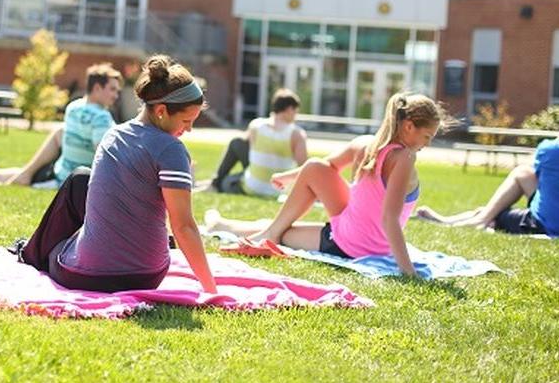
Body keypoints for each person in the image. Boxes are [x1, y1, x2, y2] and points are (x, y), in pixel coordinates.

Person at [18, 55, 217, 293]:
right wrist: (211, 288)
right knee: (81, 180)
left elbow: (181, 228)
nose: (189, 129)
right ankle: (34, 250)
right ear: (162, 111)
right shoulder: (171, 149)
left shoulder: (113, 135)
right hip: (146, 275)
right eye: (186, 121)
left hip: (84, 276)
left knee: (76, 186)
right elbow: (183, 226)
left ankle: (30, 252)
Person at [206, 93, 446, 277]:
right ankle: (231, 226)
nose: (428, 143)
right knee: (304, 188)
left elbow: (325, 166)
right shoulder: (404, 157)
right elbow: (389, 218)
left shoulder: (366, 144)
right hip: (356, 243)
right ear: (408, 126)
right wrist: (408, 271)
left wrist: (287, 177)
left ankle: (239, 228)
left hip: (353, 237)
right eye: (427, 136)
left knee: (285, 226)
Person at [0, 63, 122, 186]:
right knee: (37, 172)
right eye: (112, 89)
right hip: (76, 180)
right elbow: (103, 156)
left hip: (62, 171)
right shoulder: (102, 117)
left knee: (56, 137)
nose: (116, 95)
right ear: (97, 88)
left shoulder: (74, 106)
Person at [416, 137, 559, 236]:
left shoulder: (548, 149)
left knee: (495, 214)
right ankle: (476, 218)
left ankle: (474, 220)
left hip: (546, 224)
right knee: (523, 173)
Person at [205, 88, 307, 196]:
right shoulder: (297, 134)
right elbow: (304, 167)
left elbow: (245, 148)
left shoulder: (256, 125)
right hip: (280, 191)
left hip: (252, 187)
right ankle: (213, 183)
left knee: (235, 147)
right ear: (290, 109)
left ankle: (214, 184)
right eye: (296, 111)